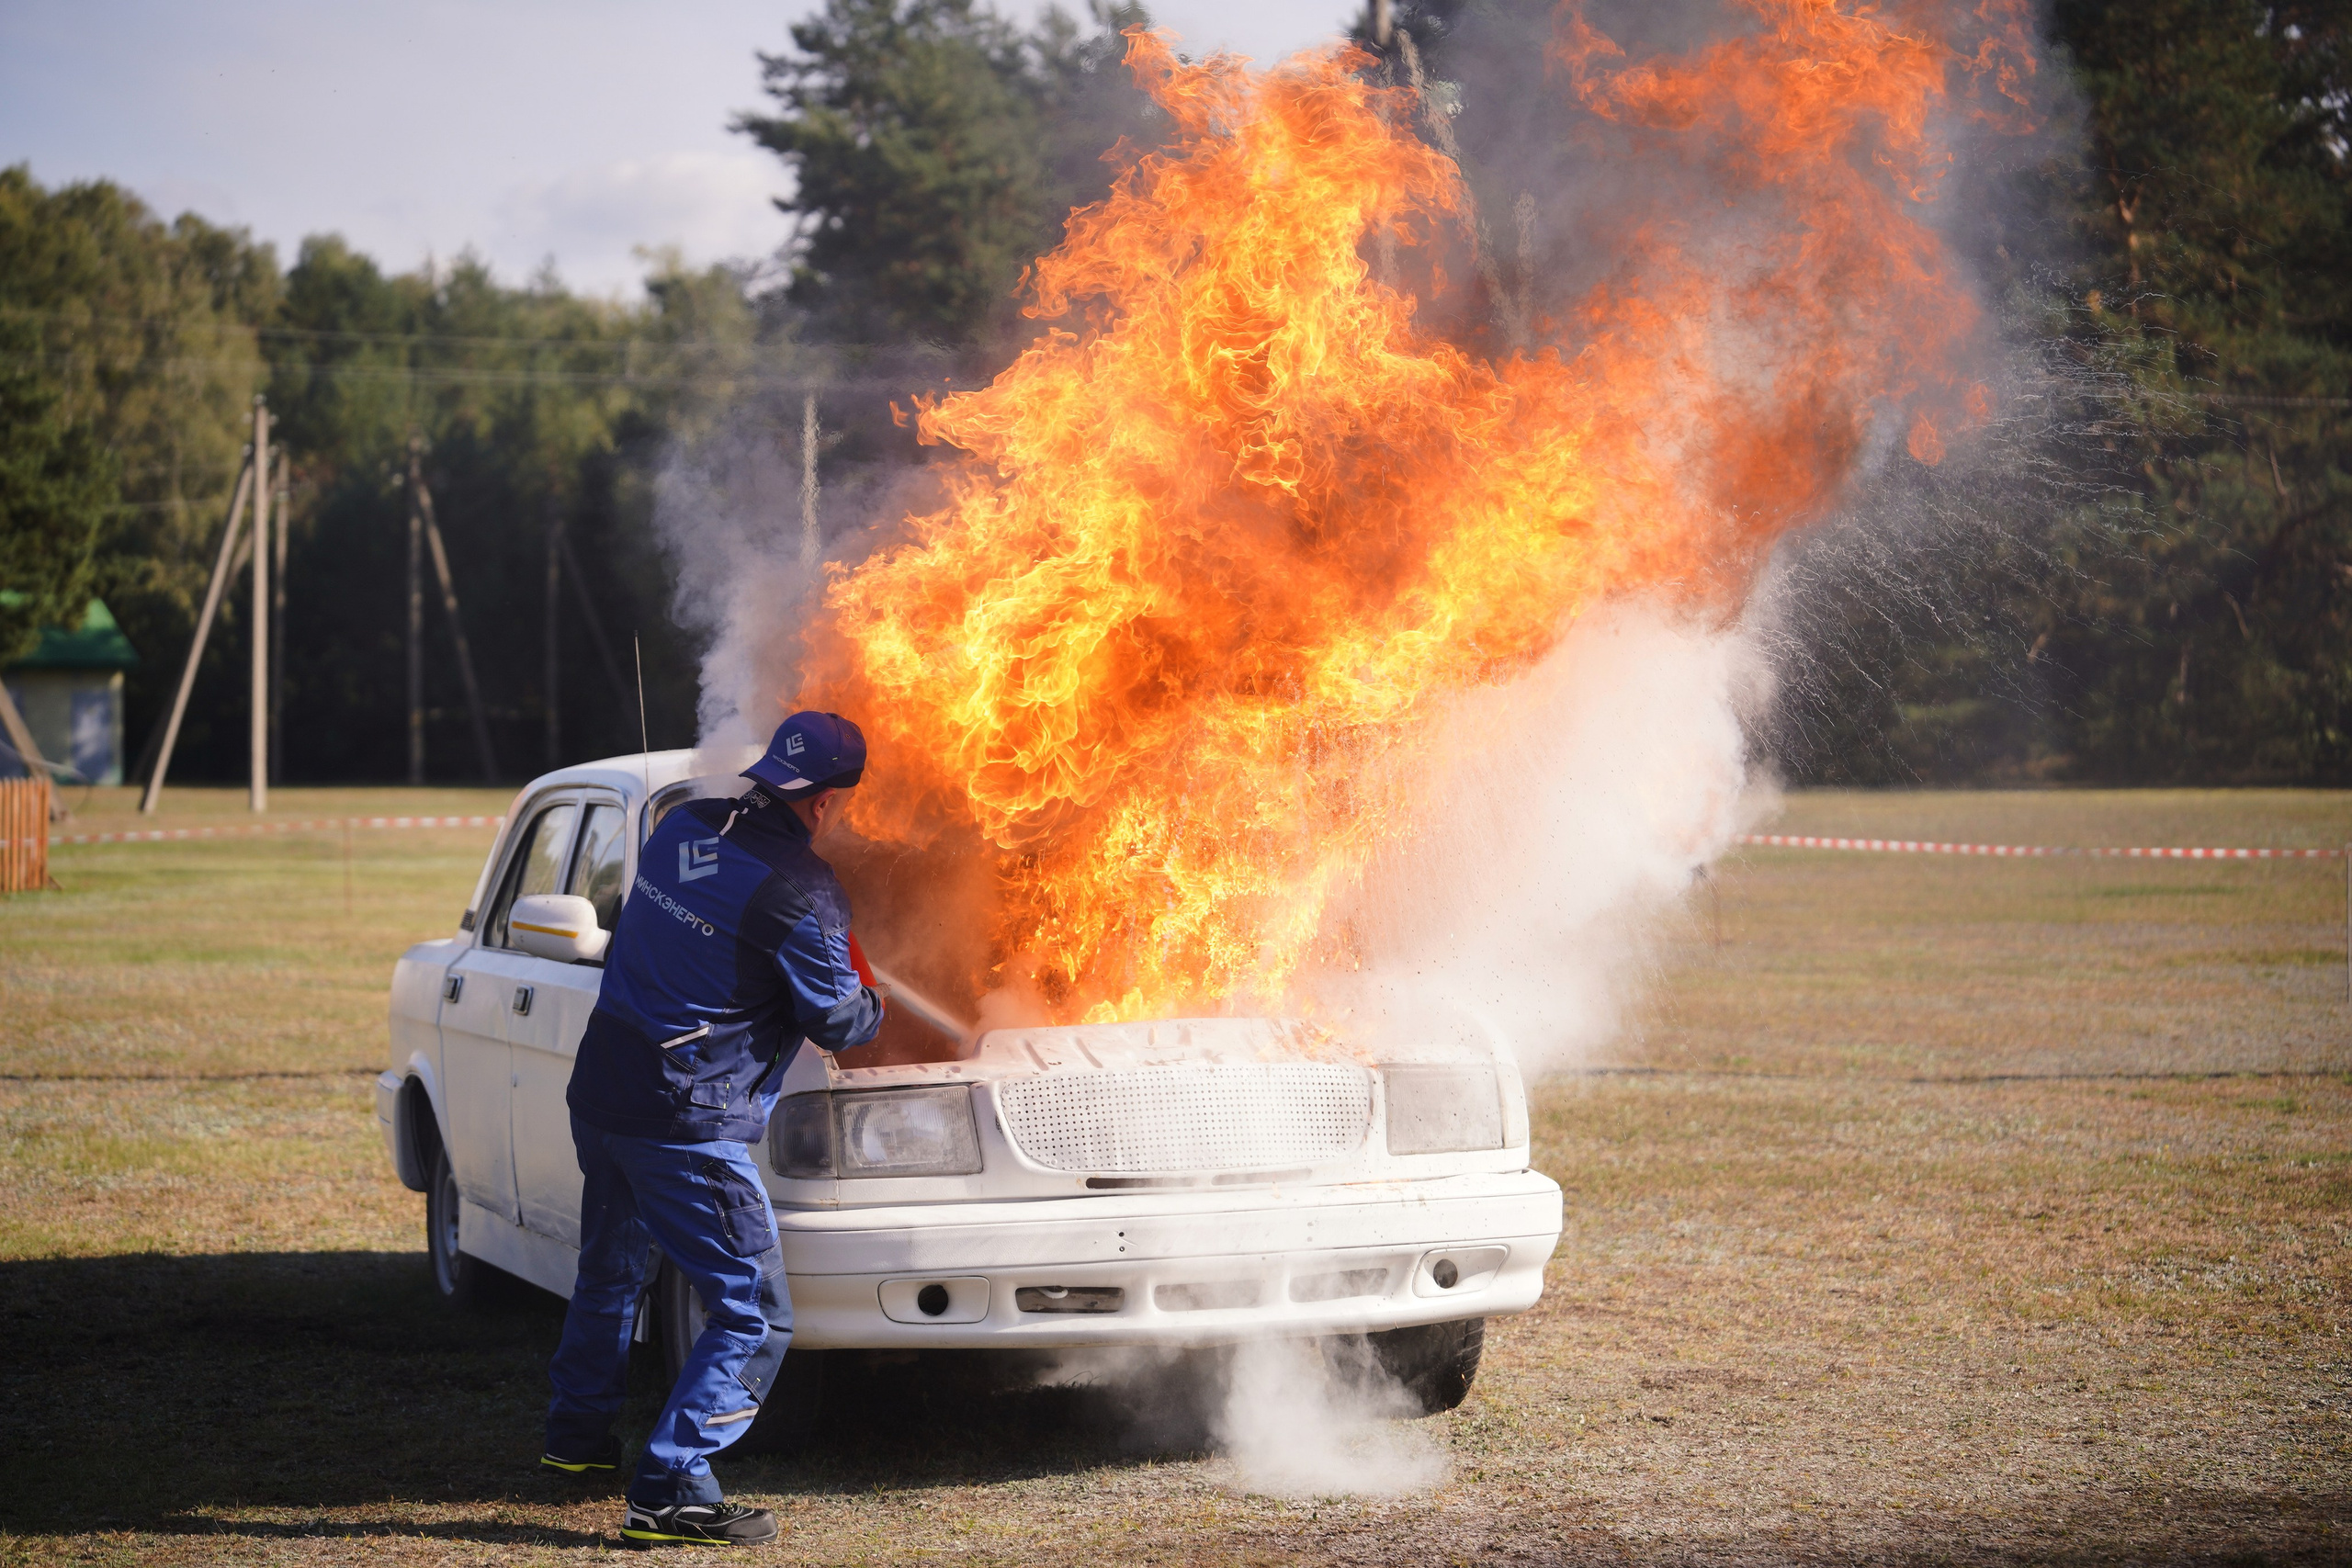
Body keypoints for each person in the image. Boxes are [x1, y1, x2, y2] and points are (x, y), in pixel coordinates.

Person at [540, 711, 884, 1548]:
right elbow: (839, 1022)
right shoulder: (802, 890)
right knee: (753, 1312)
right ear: (831, 801)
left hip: (605, 1091)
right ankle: (669, 1490)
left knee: (611, 1272)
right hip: (686, 1121)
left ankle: (576, 1446)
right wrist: (870, 995)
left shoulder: (681, 823)